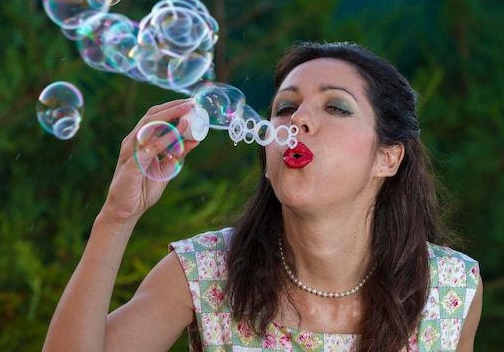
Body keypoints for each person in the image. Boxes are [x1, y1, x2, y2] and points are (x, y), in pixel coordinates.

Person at [41, 41, 482, 352]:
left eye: (335, 107)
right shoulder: (204, 272)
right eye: (285, 107)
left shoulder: (450, 290)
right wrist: (117, 217)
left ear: (388, 157)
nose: (298, 120)